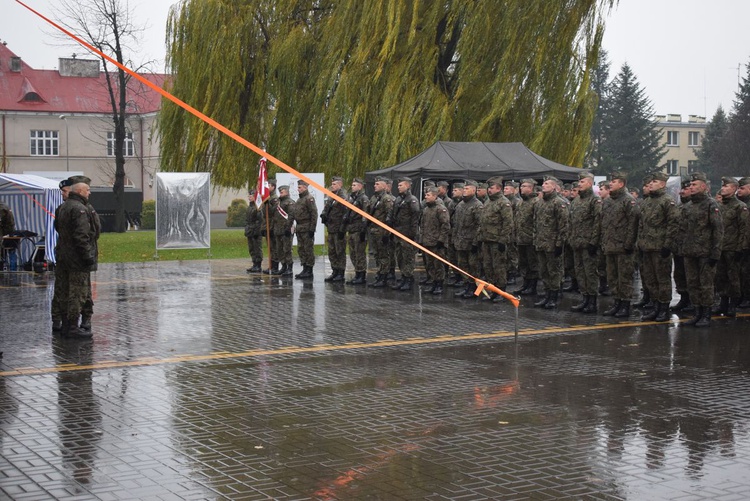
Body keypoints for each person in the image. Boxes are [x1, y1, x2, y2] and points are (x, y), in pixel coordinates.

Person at [55, 177, 99, 337]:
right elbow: (82, 235)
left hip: (65, 256)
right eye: (87, 190)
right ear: (80, 191)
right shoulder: (80, 209)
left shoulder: (64, 207)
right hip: (77, 259)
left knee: (66, 292)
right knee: (77, 293)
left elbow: (58, 228)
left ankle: (67, 326)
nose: (89, 192)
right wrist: (88, 256)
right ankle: (73, 328)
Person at [682, 172, 723, 327]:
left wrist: (715, 252)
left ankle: (706, 313)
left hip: (705, 252)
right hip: (690, 251)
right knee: (692, 283)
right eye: (690, 185)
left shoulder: (711, 205)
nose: (691, 187)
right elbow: (682, 229)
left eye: (694, 185)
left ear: (704, 187)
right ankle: (697, 312)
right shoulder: (688, 206)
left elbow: (718, 230)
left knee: (705, 284)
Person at [637, 172, 679, 322]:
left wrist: (667, 245)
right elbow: (641, 225)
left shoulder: (667, 201)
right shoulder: (647, 202)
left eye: (655, 181)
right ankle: (655, 306)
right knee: (650, 279)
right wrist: (640, 244)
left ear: (662, 184)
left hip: (660, 248)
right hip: (646, 247)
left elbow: (673, 225)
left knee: (662, 280)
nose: (651, 184)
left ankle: (663, 309)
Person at [600, 171, 639, 318]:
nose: (611, 183)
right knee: (612, 277)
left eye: (614, 181)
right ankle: (616, 302)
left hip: (623, 247)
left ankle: (625, 304)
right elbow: (603, 223)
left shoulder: (628, 201)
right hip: (610, 245)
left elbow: (632, 224)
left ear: (621, 184)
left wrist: (629, 244)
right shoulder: (608, 201)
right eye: (611, 181)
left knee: (624, 277)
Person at [712, 177, 748, 317]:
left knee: (733, 277)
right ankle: (723, 303)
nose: (723, 188)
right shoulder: (718, 206)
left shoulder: (740, 207)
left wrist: (741, 248)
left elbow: (744, 229)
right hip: (720, 247)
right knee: (720, 277)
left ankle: (733, 304)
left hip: (733, 248)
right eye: (722, 186)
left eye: (726, 186)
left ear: (733, 189)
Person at [533, 176, 569, 308]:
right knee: (544, 271)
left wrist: (560, 243)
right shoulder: (540, 203)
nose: (544, 185)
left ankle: (554, 296)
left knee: (554, 271)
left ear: (554, 187)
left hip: (553, 244)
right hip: (541, 243)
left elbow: (563, 225)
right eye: (543, 183)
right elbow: (536, 223)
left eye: (547, 184)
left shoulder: (559, 203)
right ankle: (547, 294)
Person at [568, 171, 602, 313]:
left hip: (588, 244)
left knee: (590, 273)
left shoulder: (595, 200)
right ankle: (585, 299)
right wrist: (570, 238)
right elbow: (571, 222)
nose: (579, 184)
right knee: (580, 272)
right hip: (577, 243)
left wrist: (593, 242)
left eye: (582, 182)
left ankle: (592, 302)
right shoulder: (576, 201)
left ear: (589, 183)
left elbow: (597, 222)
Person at [478, 176, 513, 302]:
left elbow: (508, 223)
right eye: (489, 188)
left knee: (499, 267)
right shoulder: (488, 202)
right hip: (486, 240)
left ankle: (501, 291)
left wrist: (503, 240)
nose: (489, 190)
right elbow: (482, 221)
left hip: (497, 241)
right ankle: (492, 290)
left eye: (492, 188)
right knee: (488, 266)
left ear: (499, 188)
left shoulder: (504, 203)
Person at [453, 180, 483, 298]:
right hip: (461, 242)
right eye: (464, 189)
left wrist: (476, 242)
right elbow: (456, 223)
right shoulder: (460, 205)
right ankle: (467, 285)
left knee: (473, 266)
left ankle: (474, 288)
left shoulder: (477, 205)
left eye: (467, 189)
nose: (464, 191)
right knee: (463, 265)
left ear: (474, 190)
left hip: (471, 242)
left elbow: (480, 225)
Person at [389, 177, 420, 291]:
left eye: (401, 185)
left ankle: (409, 279)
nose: (398, 187)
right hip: (398, 233)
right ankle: (403, 278)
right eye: (398, 185)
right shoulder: (398, 199)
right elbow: (393, 215)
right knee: (400, 257)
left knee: (408, 258)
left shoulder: (412, 200)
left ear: (407, 186)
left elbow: (415, 217)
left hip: (407, 234)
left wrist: (412, 233)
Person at [419, 186, 450, 294]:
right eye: (425, 195)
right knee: (430, 264)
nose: (425, 197)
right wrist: (421, 239)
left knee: (438, 265)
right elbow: (422, 225)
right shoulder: (426, 209)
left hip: (437, 243)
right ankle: (433, 282)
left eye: (428, 195)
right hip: (427, 241)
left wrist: (441, 240)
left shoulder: (440, 208)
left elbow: (445, 225)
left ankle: (439, 284)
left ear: (434, 196)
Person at [51, 178, 72, 332]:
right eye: (62, 192)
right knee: (61, 288)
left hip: (69, 253)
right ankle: (60, 320)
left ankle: (65, 320)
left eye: (64, 191)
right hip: (65, 253)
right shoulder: (61, 209)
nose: (62, 194)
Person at [671, 176, 694, 312]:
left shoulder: (696, 206)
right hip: (678, 248)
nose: (682, 192)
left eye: (686, 189)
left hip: (691, 248)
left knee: (690, 275)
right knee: (679, 275)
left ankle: (692, 301)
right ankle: (684, 298)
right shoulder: (679, 207)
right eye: (682, 188)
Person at [513, 179, 539, 296]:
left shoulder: (536, 202)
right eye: (521, 186)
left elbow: (538, 222)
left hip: (531, 239)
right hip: (521, 238)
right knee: (523, 263)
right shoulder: (520, 202)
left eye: (524, 186)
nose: (521, 188)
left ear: (531, 188)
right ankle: (525, 283)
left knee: (532, 264)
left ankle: (532, 286)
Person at [367, 177, 395, 287]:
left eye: (377, 184)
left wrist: (387, 234)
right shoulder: (374, 198)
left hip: (382, 232)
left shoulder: (386, 199)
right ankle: (379, 273)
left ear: (384, 186)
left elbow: (390, 216)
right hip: (374, 231)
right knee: (377, 255)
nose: (375, 185)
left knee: (384, 255)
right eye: (375, 183)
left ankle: (384, 277)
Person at [320, 176, 348, 282]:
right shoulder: (332, 196)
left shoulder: (342, 196)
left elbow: (346, 213)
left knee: (339, 251)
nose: (332, 186)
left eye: (335, 184)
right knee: (332, 251)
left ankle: (341, 272)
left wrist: (342, 229)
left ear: (340, 184)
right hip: (331, 228)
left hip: (338, 229)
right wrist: (324, 215)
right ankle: (335, 271)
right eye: (332, 184)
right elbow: (327, 207)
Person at [344, 178, 370, 285]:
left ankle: (361, 275)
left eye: (354, 185)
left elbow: (365, 214)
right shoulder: (352, 198)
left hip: (359, 229)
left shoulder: (363, 198)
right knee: (353, 253)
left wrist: (363, 229)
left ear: (360, 186)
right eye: (352, 185)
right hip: (352, 229)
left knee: (360, 253)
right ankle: (357, 273)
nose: (352, 187)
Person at [293, 180, 318, 279]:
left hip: (307, 228)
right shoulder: (299, 200)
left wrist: (312, 229)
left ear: (305, 187)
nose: (298, 189)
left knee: (308, 249)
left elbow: (314, 214)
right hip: (300, 228)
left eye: (300, 187)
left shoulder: (309, 199)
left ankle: (309, 270)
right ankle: (304, 268)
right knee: (301, 249)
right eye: (298, 187)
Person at [270, 185, 295, 276]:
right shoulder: (278, 203)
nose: (280, 192)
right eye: (280, 191)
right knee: (279, 249)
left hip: (286, 230)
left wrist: (288, 228)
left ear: (287, 192)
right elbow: (274, 215)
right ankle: (283, 266)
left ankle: (289, 268)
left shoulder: (290, 202)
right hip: (278, 230)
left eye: (282, 191)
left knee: (287, 249)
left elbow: (291, 216)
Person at [446, 182, 464, 287]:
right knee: (452, 257)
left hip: (462, 236)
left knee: (461, 259)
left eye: (456, 190)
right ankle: (457, 276)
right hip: (453, 234)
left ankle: (463, 278)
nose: (453, 192)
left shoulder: (464, 203)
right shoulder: (452, 203)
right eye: (453, 190)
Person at [261, 179, 280, 274]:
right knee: (270, 247)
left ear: (273, 187)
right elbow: (264, 213)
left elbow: (274, 212)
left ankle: (275, 266)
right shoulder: (268, 198)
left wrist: (268, 203)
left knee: (273, 247)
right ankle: (271, 266)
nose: (267, 187)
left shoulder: (274, 198)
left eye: (269, 186)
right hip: (267, 225)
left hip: (272, 226)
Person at [244, 188, 263, 273]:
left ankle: (258, 265)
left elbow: (259, 220)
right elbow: (247, 220)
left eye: (251, 196)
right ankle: (254, 263)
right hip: (250, 230)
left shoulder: (258, 206)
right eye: (249, 195)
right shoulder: (250, 206)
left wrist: (257, 231)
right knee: (251, 248)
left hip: (256, 230)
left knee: (257, 248)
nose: (249, 197)